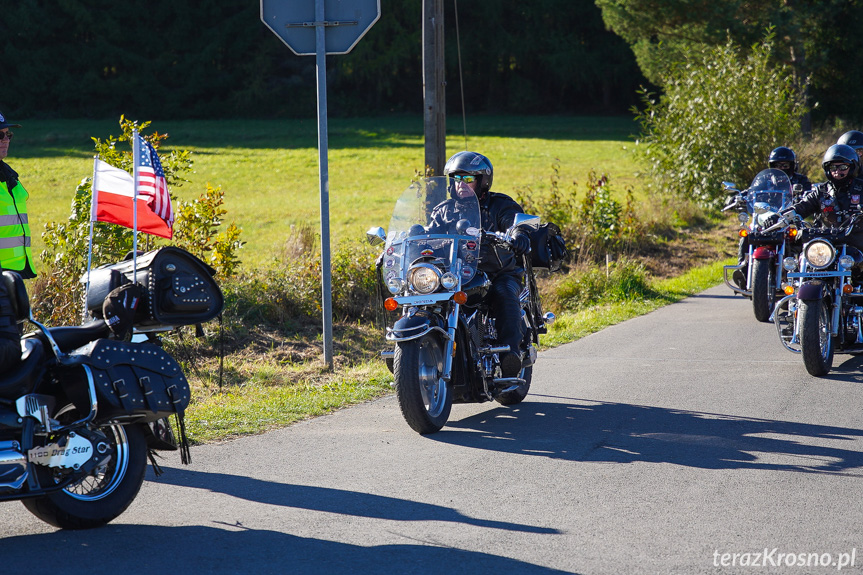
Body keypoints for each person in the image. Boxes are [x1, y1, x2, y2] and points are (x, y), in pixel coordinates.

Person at [428, 151, 531, 379]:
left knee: (504, 292)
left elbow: (514, 221)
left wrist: (518, 233)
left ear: (483, 182)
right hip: (455, 274)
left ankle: (511, 354)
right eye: (456, 179)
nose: (461, 185)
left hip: (498, 271)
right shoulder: (443, 211)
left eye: (467, 179)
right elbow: (428, 234)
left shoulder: (499, 205)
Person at [731, 147, 810, 288]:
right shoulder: (766, 180)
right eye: (777, 165)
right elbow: (751, 191)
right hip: (765, 218)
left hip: (789, 218)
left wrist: (806, 194)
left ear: (792, 166)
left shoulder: (800, 180)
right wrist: (738, 197)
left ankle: (805, 271)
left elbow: (810, 194)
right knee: (747, 233)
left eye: (785, 165)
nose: (781, 168)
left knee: (803, 236)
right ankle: (742, 268)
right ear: (771, 166)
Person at [787, 144, 863, 252]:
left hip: (857, 244)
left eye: (843, 167)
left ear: (852, 167)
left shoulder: (861, 188)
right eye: (833, 167)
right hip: (825, 245)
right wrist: (778, 217)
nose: (837, 172)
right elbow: (802, 207)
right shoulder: (821, 191)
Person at [0, 111, 36, 279]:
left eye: (8, 135)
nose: (6, 140)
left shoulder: (9, 174)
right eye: (0, 135)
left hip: (14, 271)